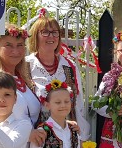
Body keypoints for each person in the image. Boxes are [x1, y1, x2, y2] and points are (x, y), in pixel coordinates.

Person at [26, 11, 91, 141]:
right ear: (35, 37)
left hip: (65, 136)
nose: (51, 37)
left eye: (55, 32)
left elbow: (78, 103)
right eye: (45, 32)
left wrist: (81, 137)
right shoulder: (25, 66)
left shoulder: (69, 66)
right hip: (36, 138)